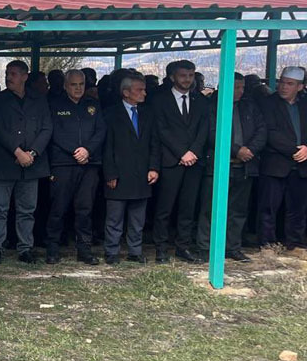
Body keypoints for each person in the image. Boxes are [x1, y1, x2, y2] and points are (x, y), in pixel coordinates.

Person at [0, 60, 52, 265]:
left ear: (24, 76)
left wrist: (32, 153)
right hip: (5, 162)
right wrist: (17, 150)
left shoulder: (39, 99)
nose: (8, 77)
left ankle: (25, 248)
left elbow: (47, 128)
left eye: (13, 73)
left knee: (27, 209)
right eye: (7, 73)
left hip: (31, 164)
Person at [197, 73, 264, 263]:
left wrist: (250, 149)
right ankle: (205, 247)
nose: (240, 92)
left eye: (242, 88)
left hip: (244, 167)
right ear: (224, 88)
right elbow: (211, 134)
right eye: (236, 88)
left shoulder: (249, 106)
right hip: (217, 165)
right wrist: (236, 150)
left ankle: (232, 247)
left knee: (238, 210)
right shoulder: (212, 107)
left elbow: (262, 130)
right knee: (210, 208)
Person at [147, 59, 209, 263]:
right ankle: (161, 249)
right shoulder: (160, 100)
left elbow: (203, 129)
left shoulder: (200, 99)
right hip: (171, 161)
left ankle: (183, 247)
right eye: (183, 75)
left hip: (194, 161)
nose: (187, 80)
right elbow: (161, 130)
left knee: (188, 207)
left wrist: (193, 152)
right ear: (173, 77)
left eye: (191, 76)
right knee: (165, 208)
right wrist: (182, 152)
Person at [46, 69, 106, 265]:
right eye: (74, 84)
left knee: (85, 209)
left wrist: (87, 150)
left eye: (81, 84)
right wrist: (76, 151)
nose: (78, 88)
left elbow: (101, 131)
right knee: (58, 208)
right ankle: (53, 248)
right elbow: (54, 133)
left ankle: (84, 250)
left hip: (89, 164)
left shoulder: (93, 105)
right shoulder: (54, 105)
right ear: (65, 86)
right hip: (63, 163)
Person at [102, 73, 160, 264]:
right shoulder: (110, 114)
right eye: (139, 90)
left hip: (142, 173)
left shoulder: (148, 112)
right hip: (118, 174)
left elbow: (154, 142)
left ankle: (135, 251)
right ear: (126, 92)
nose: (144, 93)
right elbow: (106, 146)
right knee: (115, 218)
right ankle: (112, 251)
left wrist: (153, 167)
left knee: (137, 218)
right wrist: (110, 173)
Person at [257, 66, 307, 251]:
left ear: (300, 87)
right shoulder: (268, 104)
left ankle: (295, 242)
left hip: (302, 165)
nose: (284, 87)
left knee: (298, 208)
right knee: (268, 207)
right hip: (275, 163)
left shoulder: (305, 104)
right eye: (282, 82)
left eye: (290, 84)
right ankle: (267, 243)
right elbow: (270, 132)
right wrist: (295, 151)